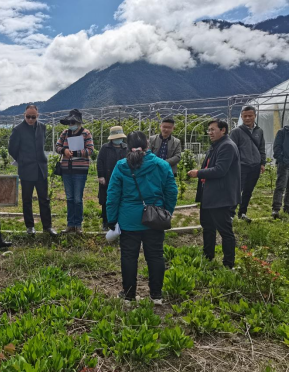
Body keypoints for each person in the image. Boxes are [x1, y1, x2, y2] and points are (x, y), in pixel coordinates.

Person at [107, 131, 178, 305]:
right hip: (154, 219)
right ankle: (156, 296)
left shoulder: (121, 166)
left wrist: (112, 219)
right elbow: (172, 191)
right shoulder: (161, 165)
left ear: (127, 146)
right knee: (155, 256)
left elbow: (113, 194)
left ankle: (129, 296)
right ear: (147, 144)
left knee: (129, 257)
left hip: (128, 220)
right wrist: (165, 212)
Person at [188, 119, 241, 269]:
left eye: (212, 129)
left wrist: (198, 173)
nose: (209, 132)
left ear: (223, 130)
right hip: (210, 195)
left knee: (225, 231)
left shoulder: (227, 146)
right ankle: (208, 256)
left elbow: (220, 170)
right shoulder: (216, 146)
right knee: (208, 226)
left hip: (220, 197)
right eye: (208, 130)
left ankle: (228, 264)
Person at [9, 105, 57, 236]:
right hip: (26, 169)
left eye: (33, 117)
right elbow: (12, 149)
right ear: (24, 115)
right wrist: (22, 159)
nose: (30, 119)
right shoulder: (18, 130)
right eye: (28, 116)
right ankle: (30, 226)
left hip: (41, 169)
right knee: (27, 199)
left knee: (44, 199)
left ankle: (47, 226)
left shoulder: (42, 127)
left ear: (38, 115)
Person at [55, 109, 95, 234]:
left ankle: (78, 224)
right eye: (70, 122)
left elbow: (90, 150)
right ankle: (70, 224)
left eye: (73, 122)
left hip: (80, 170)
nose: (71, 124)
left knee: (77, 198)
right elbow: (57, 146)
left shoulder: (86, 133)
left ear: (79, 123)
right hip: (67, 169)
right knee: (70, 198)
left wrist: (76, 153)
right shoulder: (65, 133)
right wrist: (64, 151)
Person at [229, 106, 266, 223]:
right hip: (241, 166)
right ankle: (230, 214)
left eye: (250, 115)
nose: (248, 118)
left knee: (248, 191)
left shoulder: (259, 131)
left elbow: (262, 148)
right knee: (236, 190)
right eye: (245, 116)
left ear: (255, 116)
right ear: (241, 116)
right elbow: (231, 150)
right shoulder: (236, 132)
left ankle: (242, 213)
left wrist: (262, 163)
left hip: (255, 166)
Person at [97, 126, 128, 231]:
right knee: (107, 200)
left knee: (121, 199)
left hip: (122, 179)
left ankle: (119, 221)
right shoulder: (105, 148)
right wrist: (101, 176)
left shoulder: (126, 148)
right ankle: (106, 222)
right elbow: (99, 162)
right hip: (107, 178)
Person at [272, 125, 289, 219]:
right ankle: (276, 209)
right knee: (280, 186)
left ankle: (287, 207)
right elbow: (277, 148)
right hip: (284, 164)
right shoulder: (282, 132)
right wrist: (282, 160)